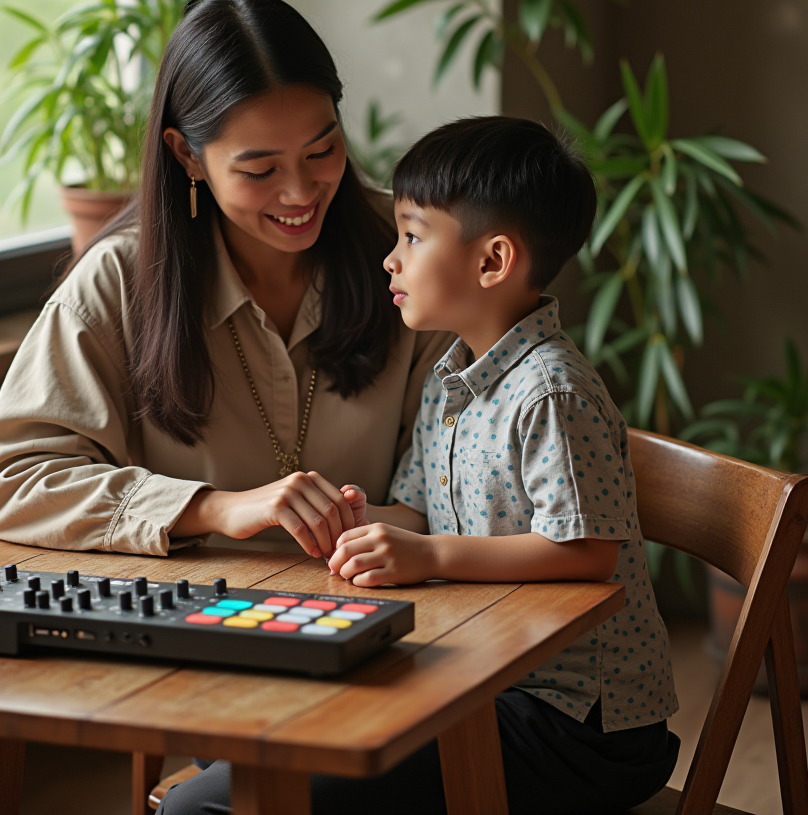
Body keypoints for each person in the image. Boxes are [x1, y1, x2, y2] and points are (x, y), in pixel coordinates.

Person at [162, 117, 679, 815]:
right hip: (480, 678)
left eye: (412, 235)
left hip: (573, 724)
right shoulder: (450, 373)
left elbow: (586, 551)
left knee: (225, 795)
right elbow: (417, 508)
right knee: (231, 736)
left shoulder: (551, 392)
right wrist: (360, 522)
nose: (389, 260)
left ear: (492, 261)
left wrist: (429, 553)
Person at [0, 0, 451, 561]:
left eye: (322, 151)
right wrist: (216, 508)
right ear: (186, 155)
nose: (299, 192)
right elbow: (11, 483)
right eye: (261, 168)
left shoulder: (414, 252)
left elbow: (470, 480)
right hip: (193, 620)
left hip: (397, 610)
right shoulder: (119, 279)